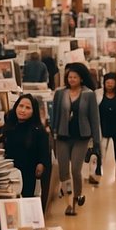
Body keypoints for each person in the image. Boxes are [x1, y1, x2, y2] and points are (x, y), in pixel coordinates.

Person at [50, 62, 100, 217]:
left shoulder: (89, 94)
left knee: (75, 170)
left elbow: (94, 119)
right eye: (69, 77)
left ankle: (77, 196)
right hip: (63, 137)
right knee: (64, 171)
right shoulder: (60, 93)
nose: (71, 79)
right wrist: (53, 132)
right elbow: (55, 115)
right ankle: (68, 203)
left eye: (75, 77)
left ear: (81, 78)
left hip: (81, 137)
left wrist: (96, 142)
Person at [3, 94, 52, 198]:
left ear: (33, 111)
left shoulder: (38, 130)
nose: (23, 110)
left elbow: (44, 152)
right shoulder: (10, 126)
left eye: (28, 108)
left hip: (29, 171)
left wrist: (41, 164)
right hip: (10, 171)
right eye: (20, 106)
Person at [92, 72, 116, 184]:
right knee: (101, 149)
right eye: (107, 82)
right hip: (103, 127)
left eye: (111, 82)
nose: (109, 84)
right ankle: (98, 169)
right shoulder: (98, 95)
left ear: (115, 83)